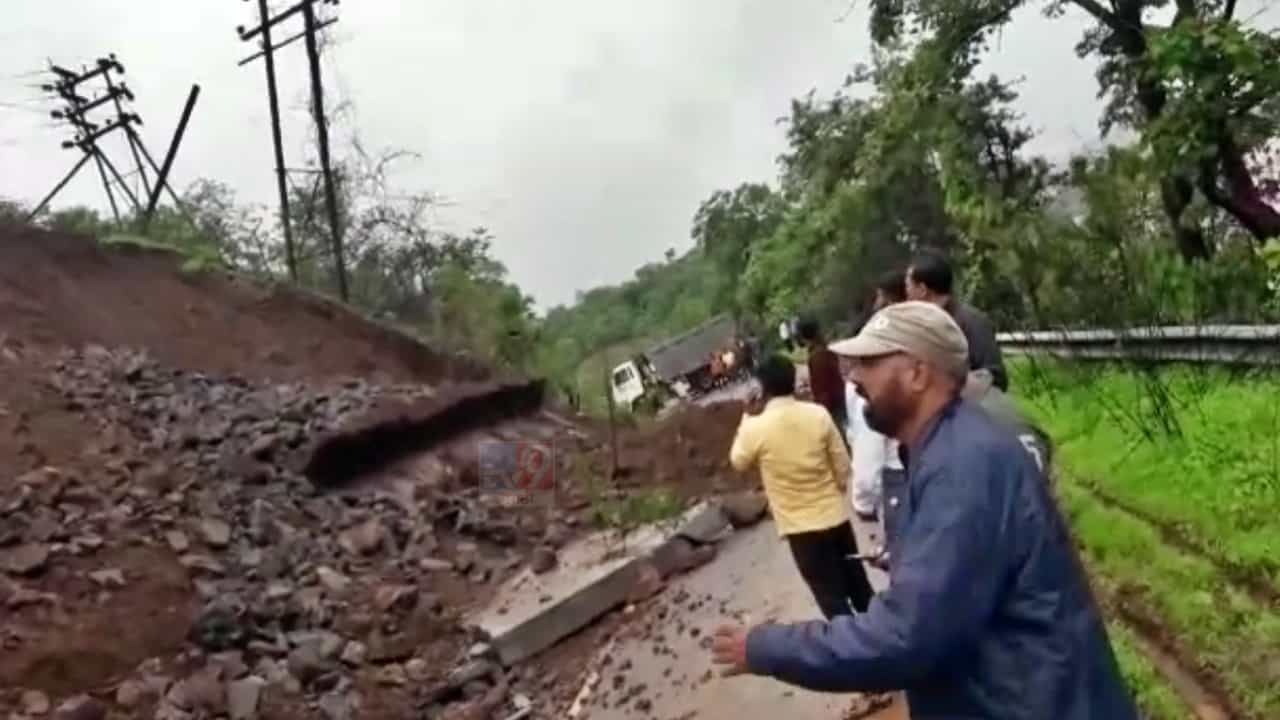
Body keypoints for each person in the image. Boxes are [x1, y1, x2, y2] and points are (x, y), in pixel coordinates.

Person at [710, 302, 1138, 720]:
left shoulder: (962, 467)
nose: (855, 379)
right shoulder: (943, 448)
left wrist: (765, 647)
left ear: (917, 373)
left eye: (871, 362)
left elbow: (905, 637)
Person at [729, 355, 874, 620]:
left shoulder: (756, 429)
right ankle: (889, 644)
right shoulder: (817, 414)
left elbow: (739, 461)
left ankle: (860, 656)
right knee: (860, 589)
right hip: (836, 520)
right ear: (793, 382)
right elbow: (842, 464)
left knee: (832, 601)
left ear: (762, 389)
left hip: (801, 531)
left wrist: (746, 417)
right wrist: (835, 491)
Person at [906, 250, 1009, 391]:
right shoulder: (918, 325)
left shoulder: (972, 322)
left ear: (922, 290)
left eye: (908, 286)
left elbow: (995, 378)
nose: (907, 295)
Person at [795, 317, 849, 451]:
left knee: (839, 443)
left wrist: (821, 412)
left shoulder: (817, 356)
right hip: (839, 400)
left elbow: (823, 390)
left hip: (833, 406)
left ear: (801, 336)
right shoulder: (823, 349)